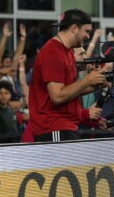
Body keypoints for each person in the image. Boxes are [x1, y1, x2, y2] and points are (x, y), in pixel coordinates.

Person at [28, 9, 107, 142]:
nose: (88, 36)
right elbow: (58, 96)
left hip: (64, 126)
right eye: (87, 31)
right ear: (74, 28)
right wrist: (87, 80)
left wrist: (98, 83)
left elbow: (70, 90)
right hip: (53, 128)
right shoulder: (52, 53)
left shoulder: (67, 52)